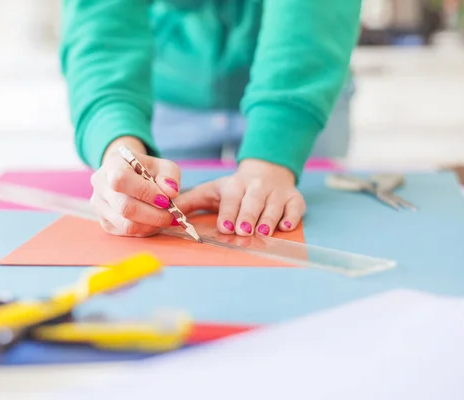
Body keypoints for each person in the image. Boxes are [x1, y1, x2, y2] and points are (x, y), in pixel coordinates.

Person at [60, 1, 361, 238]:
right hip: (166, 91)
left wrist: (273, 154)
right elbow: (102, 24)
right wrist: (117, 141)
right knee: (144, 211)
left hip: (303, 90)